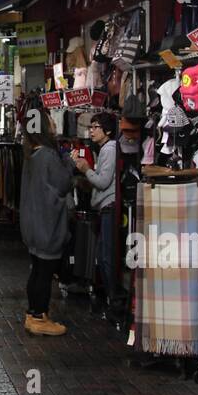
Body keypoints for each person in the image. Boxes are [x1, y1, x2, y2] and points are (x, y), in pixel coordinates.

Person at [20, 116, 75, 336]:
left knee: (36, 271)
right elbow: (63, 183)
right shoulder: (49, 156)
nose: (54, 126)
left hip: (32, 225)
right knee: (44, 272)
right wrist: (70, 163)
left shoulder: (31, 155)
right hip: (47, 225)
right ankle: (39, 317)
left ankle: (33, 313)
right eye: (51, 123)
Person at [71, 111, 119, 310]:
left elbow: (103, 181)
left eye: (95, 127)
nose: (91, 131)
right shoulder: (105, 149)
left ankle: (112, 300)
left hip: (109, 207)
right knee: (102, 254)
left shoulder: (110, 148)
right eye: (90, 127)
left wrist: (85, 169)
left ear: (107, 130)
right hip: (104, 207)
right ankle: (110, 298)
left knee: (106, 256)